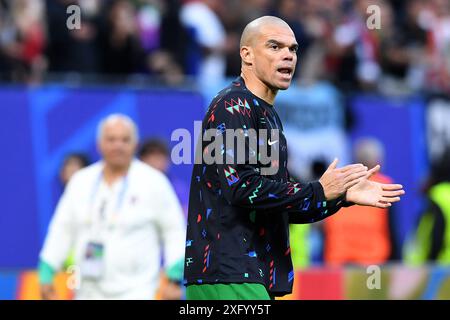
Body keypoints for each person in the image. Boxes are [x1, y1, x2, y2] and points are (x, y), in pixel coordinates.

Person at [183, 16, 405, 300]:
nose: (287, 55)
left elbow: (280, 205)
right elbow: (241, 187)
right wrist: (318, 190)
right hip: (227, 274)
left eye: (293, 49)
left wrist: (339, 196)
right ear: (246, 54)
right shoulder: (232, 106)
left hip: (251, 273)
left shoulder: (266, 115)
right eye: (274, 47)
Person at [38, 114, 186, 300]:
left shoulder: (154, 182)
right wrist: (47, 270)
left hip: (138, 290)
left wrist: (174, 277)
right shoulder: (81, 181)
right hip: (87, 290)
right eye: (111, 139)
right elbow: (62, 228)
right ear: (99, 143)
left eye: (125, 140)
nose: (118, 145)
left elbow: (174, 230)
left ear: (135, 144)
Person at [324, 138, 399, 266]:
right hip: (373, 264)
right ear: (378, 161)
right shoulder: (384, 186)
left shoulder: (338, 184)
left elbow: (324, 227)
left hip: (338, 263)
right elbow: (392, 229)